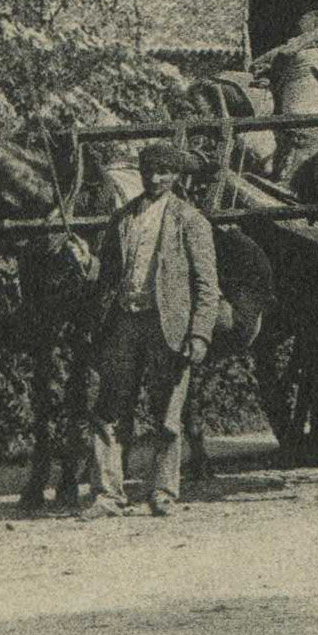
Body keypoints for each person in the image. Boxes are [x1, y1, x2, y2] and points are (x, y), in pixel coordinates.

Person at [80, 142, 221, 519]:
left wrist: (200, 333)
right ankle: (107, 495)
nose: (155, 179)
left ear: (176, 176)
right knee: (108, 411)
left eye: (164, 172)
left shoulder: (191, 221)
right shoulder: (123, 218)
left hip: (168, 327)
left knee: (166, 415)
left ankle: (162, 492)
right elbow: (106, 275)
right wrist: (85, 264)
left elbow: (207, 285)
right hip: (124, 324)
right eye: (149, 172)